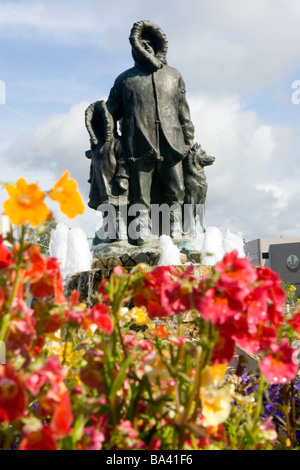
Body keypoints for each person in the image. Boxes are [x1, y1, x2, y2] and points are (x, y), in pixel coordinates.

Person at [106, 20, 195, 245]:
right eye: (141, 44)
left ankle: (175, 228)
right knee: (140, 193)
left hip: (171, 141)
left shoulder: (174, 75)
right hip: (137, 142)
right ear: (135, 49)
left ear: (157, 46)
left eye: (149, 44)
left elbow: (183, 109)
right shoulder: (125, 79)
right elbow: (110, 112)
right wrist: (110, 141)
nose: (146, 48)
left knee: (177, 188)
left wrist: (188, 138)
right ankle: (141, 231)